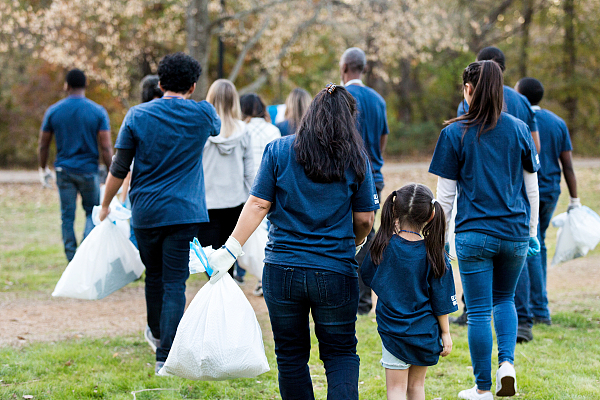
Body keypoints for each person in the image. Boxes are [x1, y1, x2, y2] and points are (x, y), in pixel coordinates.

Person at [205, 83, 379, 400]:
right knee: (340, 354)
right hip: (335, 269)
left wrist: (229, 250)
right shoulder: (357, 160)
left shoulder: (279, 150)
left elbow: (258, 204)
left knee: (291, 356)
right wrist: (351, 245)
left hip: (282, 268)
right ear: (349, 120)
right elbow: (366, 219)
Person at [98, 52, 221, 374]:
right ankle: (166, 353)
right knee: (174, 283)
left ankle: (156, 335)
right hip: (184, 211)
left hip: (146, 211)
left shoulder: (137, 116)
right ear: (193, 86)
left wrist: (107, 202)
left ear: (161, 82)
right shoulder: (203, 113)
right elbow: (216, 129)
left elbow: (119, 166)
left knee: (153, 277)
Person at [429, 61, 541, 399]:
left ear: (468, 90)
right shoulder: (520, 128)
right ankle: (506, 364)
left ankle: (482, 389)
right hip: (516, 233)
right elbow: (531, 188)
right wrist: (532, 230)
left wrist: (440, 241)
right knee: (505, 300)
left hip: (473, 234)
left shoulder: (453, 133)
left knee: (478, 310)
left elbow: (444, 199)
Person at [451, 46, 541, 327]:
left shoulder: (463, 114)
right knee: (509, 287)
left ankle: (471, 315)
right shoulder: (522, 105)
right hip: (515, 208)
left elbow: (452, 180)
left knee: (478, 307)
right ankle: (524, 320)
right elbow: (535, 150)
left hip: (476, 217)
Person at [360, 183, 458, 400]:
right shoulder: (436, 254)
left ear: (394, 210)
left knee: (395, 390)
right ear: (431, 215)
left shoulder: (382, 245)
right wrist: (446, 333)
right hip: (424, 333)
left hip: (393, 331)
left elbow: (368, 277)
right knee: (416, 388)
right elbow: (441, 300)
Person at [513, 77, 580, 341]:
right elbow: (569, 165)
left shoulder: (520, 121)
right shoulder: (558, 122)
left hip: (529, 191)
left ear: (519, 95)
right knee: (538, 242)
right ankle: (540, 308)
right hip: (551, 191)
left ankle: (536, 309)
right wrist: (574, 200)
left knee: (530, 244)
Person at [38, 68, 113, 262]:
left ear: (67, 86)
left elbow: (43, 144)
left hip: (64, 171)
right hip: (89, 171)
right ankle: (85, 253)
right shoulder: (97, 112)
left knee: (67, 216)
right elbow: (105, 147)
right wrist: (113, 170)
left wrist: (42, 168)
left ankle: (71, 257)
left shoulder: (54, 111)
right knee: (92, 212)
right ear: (85, 85)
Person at [340, 47, 389, 315]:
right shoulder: (378, 100)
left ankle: (347, 294)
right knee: (367, 233)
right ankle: (364, 300)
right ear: (364, 68)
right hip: (373, 175)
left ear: (345, 66)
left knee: (343, 232)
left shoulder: (338, 96)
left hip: (343, 176)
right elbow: (382, 139)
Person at [197, 79, 254, 279]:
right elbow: (249, 173)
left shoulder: (202, 130)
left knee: (210, 265)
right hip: (236, 203)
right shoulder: (244, 131)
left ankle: (216, 302)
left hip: (207, 204)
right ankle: (225, 303)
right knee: (227, 263)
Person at [238, 93, 281, 292]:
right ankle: (264, 278)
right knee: (266, 233)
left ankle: (249, 275)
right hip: (271, 187)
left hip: (247, 188)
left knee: (247, 233)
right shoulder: (272, 130)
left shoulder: (242, 130)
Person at [120, 75, 164, 249]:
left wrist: (122, 198)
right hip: (165, 187)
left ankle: (138, 264)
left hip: (141, 188)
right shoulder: (171, 118)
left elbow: (125, 164)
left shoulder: (136, 116)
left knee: (136, 231)